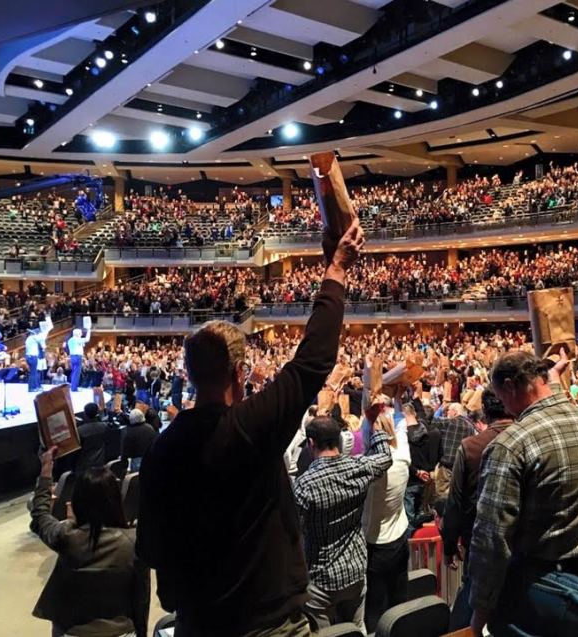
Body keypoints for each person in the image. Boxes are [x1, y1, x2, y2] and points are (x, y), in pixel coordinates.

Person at [137, 219, 365, 637]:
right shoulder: (250, 426)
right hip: (267, 623)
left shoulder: (160, 450)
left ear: (189, 373)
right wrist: (336, 270)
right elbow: (313, 361)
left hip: (198, 623)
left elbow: (151, 548)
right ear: (239, 373)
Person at [471, 350, 578, 637]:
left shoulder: (512, 444)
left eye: (501, 399)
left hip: (543, 591)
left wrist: (480, 611)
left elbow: (492, 538)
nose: (505, 408)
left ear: (510, 386)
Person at [30, 447, 149, 637]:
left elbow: (40, 514)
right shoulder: (135, 542)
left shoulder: (65, 536)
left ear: (77, 501)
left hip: (71, 632)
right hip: (121, 632)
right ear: (116, 499)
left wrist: (46, 469)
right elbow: (141, 598)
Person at [295, 415, 392, 632]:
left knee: (325, 634)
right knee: (356, 629)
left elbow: (292, 532)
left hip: (320, 578)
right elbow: (386, 457)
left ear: (311, 443)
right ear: (339, 439)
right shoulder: (358, 467)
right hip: (355, 569)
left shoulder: (305, 485)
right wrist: (374, 422)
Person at [442, 390, 512, 630]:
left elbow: (455, 502)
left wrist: (449, 546)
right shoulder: (528, 438)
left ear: (485, 411)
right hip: (518, 543)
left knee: (470, 608)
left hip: (477, 541)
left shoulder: (471, 446)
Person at [361, 412, 411, 631]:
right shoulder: (403, 457)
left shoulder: (368, 470)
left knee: (375, 608)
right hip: (400, 538)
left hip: (376, 545)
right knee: (399, 601)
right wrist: (397, 404)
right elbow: (402, 429)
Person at [403, 402, 440, 535]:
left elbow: (404, 459)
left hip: (410, 479)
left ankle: (411, 545)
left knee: (409, 519)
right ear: (414, 413)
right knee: (420, 516)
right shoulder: (429, 431)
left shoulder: (402, 435)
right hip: (426, 478)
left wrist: (416, 471)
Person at [432, 402, 476, 497]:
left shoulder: (448, 423)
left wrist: (439, 409)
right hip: (461, 466)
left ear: (455, 412)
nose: (447, 413)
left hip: (446, 466)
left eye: (448, 410)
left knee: (442, 493)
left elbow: (431, 420)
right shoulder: (471, 426)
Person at [75, 403, 110, 474]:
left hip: (85, 466)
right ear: (97, 412)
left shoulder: (79, 430)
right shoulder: (104, 426)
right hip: (101, 462)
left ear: (85, 414)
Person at [25, 315, 53, 393]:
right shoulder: (34, 338)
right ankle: (32, 387)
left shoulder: (29, 338)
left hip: (29, 356)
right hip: (33, 357)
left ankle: (32, 387)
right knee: (34, 373)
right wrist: (47, 329)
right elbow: (43, 339)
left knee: (33, 372)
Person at [67, 326, 92, 392]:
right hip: (78, 357)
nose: (81, 334)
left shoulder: (70, 340)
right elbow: (87, 339)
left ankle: (73, 386)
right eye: (80, 333)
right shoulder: (77, 339)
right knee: (76, 373)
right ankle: (74, 388)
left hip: (72, 357)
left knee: (73, 372)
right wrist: (89, 330)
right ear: (77, 334)